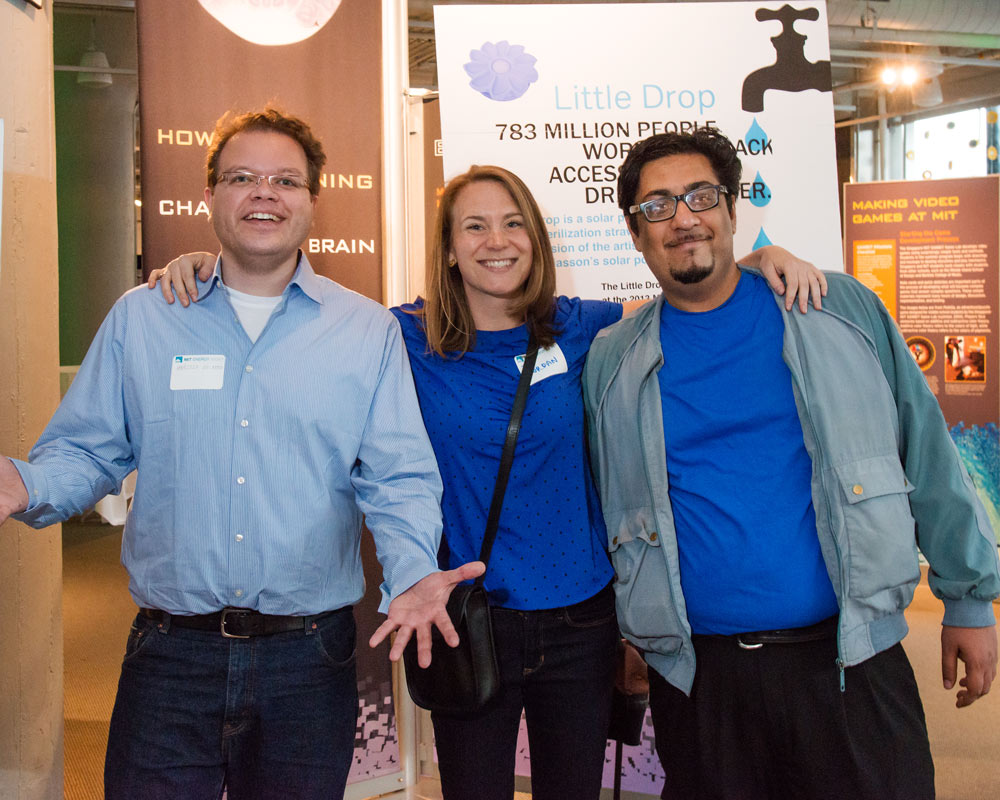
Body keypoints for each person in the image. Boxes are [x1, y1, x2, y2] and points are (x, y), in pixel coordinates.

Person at [150, 164, 824, 800]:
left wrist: (761, 262)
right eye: (474, 226)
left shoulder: (583, 327)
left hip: (581, 620)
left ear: (535, 238)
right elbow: (294, 311)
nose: (496, 241)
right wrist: (217, 269)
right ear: (448, 248)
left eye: (513, 223)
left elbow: (691, 300)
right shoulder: (401, 337)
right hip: (467, 621)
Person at [0, 107, 484, 800]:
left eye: (285, 180)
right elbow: (89, 451)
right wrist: (24, 483)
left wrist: (409, 570)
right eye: (242, 177)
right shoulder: (144, 317)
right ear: (211, 196)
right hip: (170, 657)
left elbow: (398, 478)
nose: (264, 192)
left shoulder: (364, 331)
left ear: (313, 200)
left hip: (308, 661)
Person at [582, 128, 1000, 800]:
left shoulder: (835, 311)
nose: (682, 218)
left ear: (731, 209)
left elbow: (926, 450)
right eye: (657, 207)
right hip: (700, 680)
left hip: (848, 662)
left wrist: (970, 599)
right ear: (635, 233)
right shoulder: (613, 358)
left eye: (699, 197)